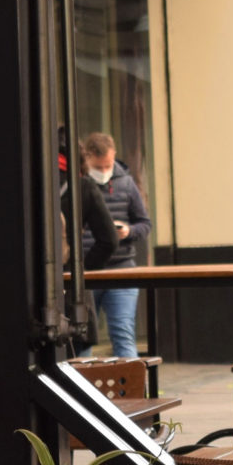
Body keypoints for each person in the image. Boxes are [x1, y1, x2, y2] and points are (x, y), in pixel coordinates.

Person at [80, 132, 152, 357]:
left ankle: (131, 379)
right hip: (86, 271)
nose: (104, 172)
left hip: (121, 269)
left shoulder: (126, 183)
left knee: (122, 332)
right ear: (87, 158)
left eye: (108, 166)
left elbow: (144, 224)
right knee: (81, 338)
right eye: (98, 167)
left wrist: (128, 231)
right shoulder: (78, 185)